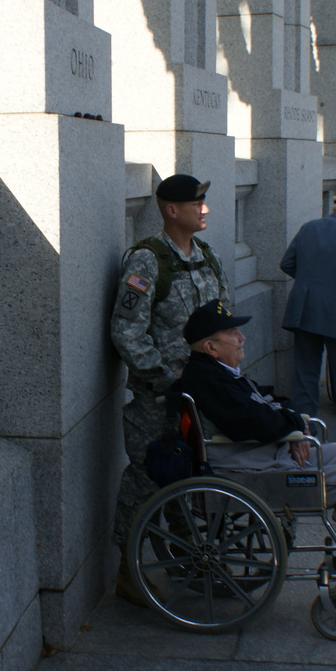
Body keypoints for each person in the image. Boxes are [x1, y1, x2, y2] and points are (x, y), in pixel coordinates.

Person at [174, 301, 336, 590]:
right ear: (210, 346)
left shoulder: (218, 371)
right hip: (246, 467)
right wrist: (291, 429)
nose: (242, 338)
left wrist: (293, 422)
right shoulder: (208, 378)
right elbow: (251, 421)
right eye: (233, 333)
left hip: (260, 454)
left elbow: (267, 398)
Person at [110, 173, 231, 603]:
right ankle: (127, 568)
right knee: (147, 479)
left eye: (204, 201)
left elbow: (223, 322)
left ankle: (189, 560)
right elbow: (127, 331)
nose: (206, 209)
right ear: (171, 209)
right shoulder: (146, 262)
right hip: (159, 400)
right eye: (197, 203)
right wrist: (165, 378)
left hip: (203, 397)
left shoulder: (208, 258)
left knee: (191, 479)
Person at [279, 186, 336, 444]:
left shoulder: (309, 227)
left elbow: (286, 263)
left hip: (305, 310)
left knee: (305, 374)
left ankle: (304, 433)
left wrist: (312, 282)